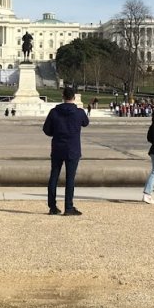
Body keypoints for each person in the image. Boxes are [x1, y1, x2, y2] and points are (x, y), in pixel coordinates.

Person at [42, 86, 89, 216]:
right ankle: (68, 207)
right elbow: (85, 123)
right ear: (74, 97)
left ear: (62, 97)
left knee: (54, 177)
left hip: (57, 147)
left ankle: (52, 207)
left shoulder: (54, 112)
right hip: (73, 148)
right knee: (70, 178)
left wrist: (56, 133)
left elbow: (46, 130)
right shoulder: (79, 112)